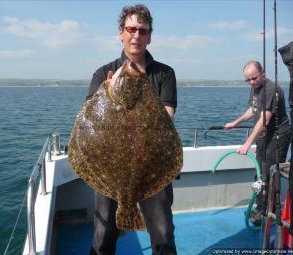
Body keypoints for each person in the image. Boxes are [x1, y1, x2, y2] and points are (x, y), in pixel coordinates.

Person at [86, 4, 178, 255]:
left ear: (149, 36)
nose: (137, 35)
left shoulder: (165, 74)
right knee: (102, 235)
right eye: (131, 29)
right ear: (121, 33)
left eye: (143, 31)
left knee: (162, 233)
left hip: (152, 168)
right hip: (110, 169)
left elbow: (167, 118)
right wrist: (107, 93)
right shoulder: (102, 75)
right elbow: (91, 122)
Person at [224, 60, 291, 226]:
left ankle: (269, 211)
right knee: (260, 173)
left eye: (254, 78)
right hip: (263, 137)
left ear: (263, 73)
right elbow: (253, 110)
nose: (251, 83)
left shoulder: (271, 89)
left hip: (277, 137)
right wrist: (236, 122)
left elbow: (263, 119)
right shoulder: (255, 89)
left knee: (269, 173)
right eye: (248, 80)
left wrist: (247, 143)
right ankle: (261, 206)